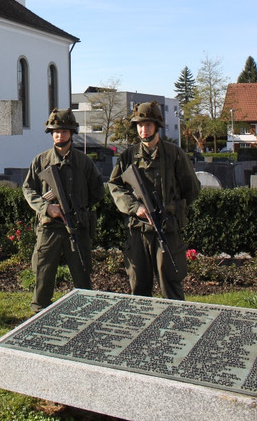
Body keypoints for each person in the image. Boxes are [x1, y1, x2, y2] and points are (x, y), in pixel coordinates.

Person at [108, 101, 200, 300]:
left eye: (148, 124)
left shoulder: (174, 154)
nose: (143, 129)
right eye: (140, 125)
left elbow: (191, 188)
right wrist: (136, 207)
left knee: (171, 284)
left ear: (157, 126)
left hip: (166, 229)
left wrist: (172, 209)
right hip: (138, 229)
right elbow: (115, 186)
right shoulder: (128, 156)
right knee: (139, 285)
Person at [23, 108, 105, 312]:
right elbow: (28, 188)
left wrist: (78, 206)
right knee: (43, 272)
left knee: (82, 273)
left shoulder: (83, 162)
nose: (59, 135)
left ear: (71, 133)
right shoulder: (41, 161)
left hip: (76, 227)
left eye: (64, 131)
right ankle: (39, 311)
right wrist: (46, 207)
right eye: (56, 131)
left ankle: (86, 311)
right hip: (49, 227)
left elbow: (97, 191)